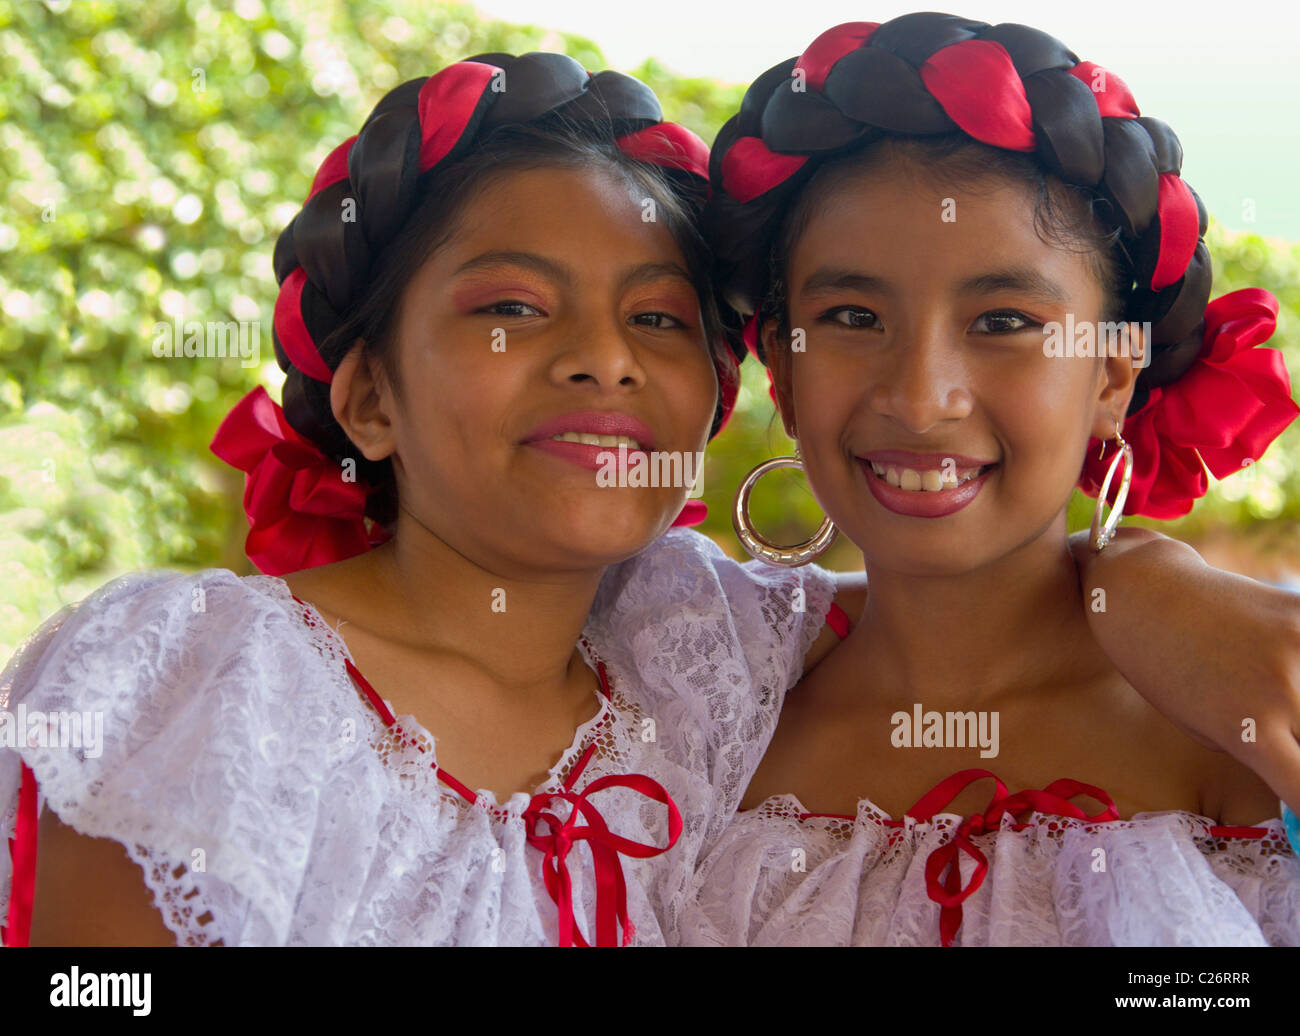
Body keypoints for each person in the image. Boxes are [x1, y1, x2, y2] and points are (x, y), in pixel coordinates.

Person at [0, 51, 842, 947]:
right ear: (371, 401)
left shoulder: (704, 659)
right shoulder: (219, 682)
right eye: (512, 308)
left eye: (657, 318)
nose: (606, 356)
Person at [682, 13, 1300, 945]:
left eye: (1005, 322)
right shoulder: (681, 725)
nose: (921, 400)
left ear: (1110, 377)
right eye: (852, 314)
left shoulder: (1254, 730)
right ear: (784, 366)